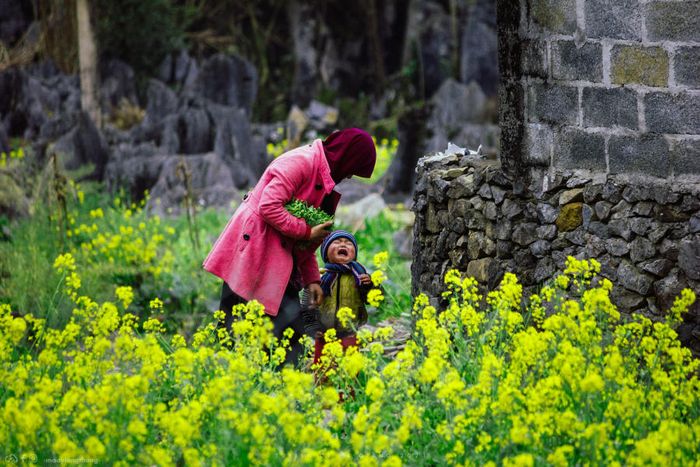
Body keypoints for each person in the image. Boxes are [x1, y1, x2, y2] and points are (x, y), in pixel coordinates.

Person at [202, 128, 376, 365]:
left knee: (287, 331)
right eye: (352, 170)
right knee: (235, 324)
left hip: (278, 260)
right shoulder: (301, 162)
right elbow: (268, 205)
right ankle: (230, 382)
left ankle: (274, 386)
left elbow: (307, 243)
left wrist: (312, 279)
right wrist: (305, 231)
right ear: (345, 158)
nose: (348, 178)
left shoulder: (324, 183)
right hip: (253, 249)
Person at [302, 230, 372, 365]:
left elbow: (372, 299)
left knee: (350, 370)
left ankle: (349, 387)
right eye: (337, 242)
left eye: (348, 243)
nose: (343, 245)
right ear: (326, 254)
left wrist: (369, 286)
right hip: (324, 334)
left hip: (349, 332)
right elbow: (307, 304)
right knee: (323, 369)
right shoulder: (319, 277)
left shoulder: (360, 276)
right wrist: (312, 326)